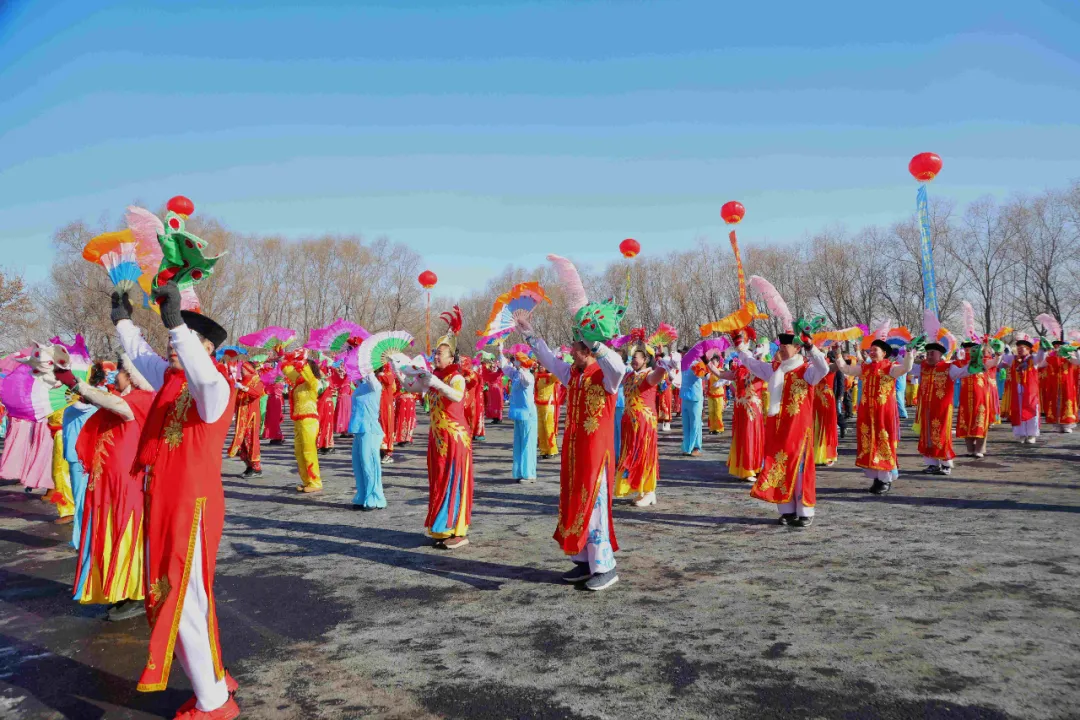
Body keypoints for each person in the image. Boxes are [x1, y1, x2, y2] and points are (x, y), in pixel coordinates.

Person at [113, 284, 241, 719]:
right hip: (166, 502)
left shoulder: (215, 388)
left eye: (181, 341)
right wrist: (123, 320)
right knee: (182, 597)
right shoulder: (172, 383)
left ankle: (213, 702)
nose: (171, 347)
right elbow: (141, 355)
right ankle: (214, 682)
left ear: (206, 348)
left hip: (193, 506)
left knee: (183, 599)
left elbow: (202, 375)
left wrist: (177, 325)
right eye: (172, 339)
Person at [517, 288, 627, 592]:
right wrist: (530, 335)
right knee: (574, 502)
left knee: (595, 505)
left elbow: (618, 367)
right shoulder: (574, 374)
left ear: (588, 349)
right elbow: (550, 360)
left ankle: (605, 566)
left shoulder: (605, 375)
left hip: (596, 453)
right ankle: (583, 561)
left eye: (576, 347)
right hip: (575, 451)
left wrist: (595, 341)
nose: (570, 352)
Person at [58, 354, 154, 621]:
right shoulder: (126, 399)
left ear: (131, 376)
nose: (115, 378)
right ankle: (119, 588)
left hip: (125, 482)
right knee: (109, 531)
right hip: (109, 482)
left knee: (123, 532)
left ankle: (133, 592)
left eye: (119, 373)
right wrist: (67, 381)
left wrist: (75, 383)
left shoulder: (139, 401)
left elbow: (111, 402)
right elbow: (101, 400)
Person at [735, 328, 830, 527]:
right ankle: (787, 511)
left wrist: (811, 347)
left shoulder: (807, 371)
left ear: (797, 347)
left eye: (785, 346)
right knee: (780, 466)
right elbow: (753, 364)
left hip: (799, 431)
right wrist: (741, 347)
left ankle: (805, 511)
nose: (782, 349)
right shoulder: (776, 369)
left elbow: (824, 368)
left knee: (801, 470)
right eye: (780, 346)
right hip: (778, 429)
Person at [835, 338, 916, 494]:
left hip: (884, 413)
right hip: (867, 413)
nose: (872, 352)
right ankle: (877, 477)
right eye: (870, 350)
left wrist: (908, 352)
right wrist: (838, 353)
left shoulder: (891, 368)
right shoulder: (865, 367)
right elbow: (846, 370)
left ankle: (886, 479)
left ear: (884, 353)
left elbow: (907, 367)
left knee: (884, 442)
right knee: (870, 443)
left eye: (875, 350)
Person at [417, 333, 474, 549]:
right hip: (438, 438)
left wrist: (436, 383)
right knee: (440, 481)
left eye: (439, 354)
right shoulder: (436, 377)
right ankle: (442, 529)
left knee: (454, 481)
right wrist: (400, 371)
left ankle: (458, 531)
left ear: (451, 359)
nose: (435, 357)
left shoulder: (455, 377)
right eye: (435, 353)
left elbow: (457, 396)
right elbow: (415, 389)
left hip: (455, 437)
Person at [911, 341, 990, 475]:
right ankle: (932, 464)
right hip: (926, 408)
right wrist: (909, 351)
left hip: (942, 409)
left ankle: (946, 464)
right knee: (927, 436)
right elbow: (907, 367)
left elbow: (964, 372)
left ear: (940, 355)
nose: (929, 356)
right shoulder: (923, 367)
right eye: (927, 353)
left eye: (932, 353)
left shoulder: (948, 367)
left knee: (941, 435)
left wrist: (975, 360)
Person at [615, 342, 666, 506]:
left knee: (645, 456)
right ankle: (641, 490)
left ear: (645, 359)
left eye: (636, 358)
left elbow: (658, 374)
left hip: (644, 424)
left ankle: (650, 491)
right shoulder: (630, 376)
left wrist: (664, 362)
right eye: (632, 358)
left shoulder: (648, 375)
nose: (633, 361)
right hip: (630, 423)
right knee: (633, 455)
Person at [60, 363, 101, 543]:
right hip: (80, 457)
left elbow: (80, 405)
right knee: (84, 498)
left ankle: (81, 538)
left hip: (80, 458)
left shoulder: (85, 407)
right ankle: (84, 536)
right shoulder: (86, 406)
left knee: (81, 498)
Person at [708, 356, 764, 482]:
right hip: (741, 409)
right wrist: (707, 362)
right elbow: (720, 373)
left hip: (753, 409)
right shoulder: (738, 371)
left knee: (754, 435)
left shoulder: (760, 369)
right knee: (744, 436)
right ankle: (746, 469)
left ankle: (756, 467)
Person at [281, 351, 323, 492]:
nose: (299, 370)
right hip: (298, 420)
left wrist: (302, 362)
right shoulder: (299, 383)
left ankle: (315, 482)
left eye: (303, 368)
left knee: (308, 451)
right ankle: (307, 481)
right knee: (299, 452)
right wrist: (283, 356)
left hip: (309, 420)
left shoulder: (314, 383)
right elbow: (287, 370)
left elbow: (309, 377)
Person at [500, 349, 538, 483]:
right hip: (518, 413)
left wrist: (522, 369)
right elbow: (505, 367)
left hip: (528, 413)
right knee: (519, 442)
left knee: (528, 443)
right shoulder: (515, 374)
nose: (513, 361)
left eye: (516, 359)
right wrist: (501, 350)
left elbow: (527, 382)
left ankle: (529, 474)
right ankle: (519, 472)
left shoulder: (527, 375)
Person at [350, 370, 386, 510]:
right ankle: (362, 495)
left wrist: (365, 363)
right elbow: (352, 373)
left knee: (369, 463)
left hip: (370, 429)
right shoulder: (361, 385)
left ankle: (375, 498)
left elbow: (367, 372)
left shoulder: (374, 385)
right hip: (359, 429)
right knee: (358, 464)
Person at [1001, 337, 1047, 444]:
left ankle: (1031, 435)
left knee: (1032, 411)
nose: (1020, 349)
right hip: (1017, 392)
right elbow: (1001, 358)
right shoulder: (1013, 358)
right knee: (1018, 412)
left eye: (1023, 348)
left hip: (1030, 393)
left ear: (1029, 349)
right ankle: (1021, 434)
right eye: (1018, 347)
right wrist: (999, 348)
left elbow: (1041, 357)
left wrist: (1042, 349)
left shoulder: (1033, 359)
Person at [227, 360, 265, 477]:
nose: (241, 370)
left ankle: (256, 467)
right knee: (242, 441)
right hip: (241, 416)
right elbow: (237, 399)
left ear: (249, 369)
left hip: (251, 416)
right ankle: (249, 466)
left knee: (251, 440)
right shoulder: (241, 381)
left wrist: (244, 388)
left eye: (243, 368)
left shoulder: (256, 380)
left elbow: (257, 393)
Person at [812, 348, 840, 467]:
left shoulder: (830, 366)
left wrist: (837, 352)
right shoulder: (811, 367)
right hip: (815, 399)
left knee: (827, 426)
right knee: (815, 426)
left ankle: (827, 455)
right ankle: (813, 454)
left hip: (827, 400)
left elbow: (838, 366)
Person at [1044, 340, 1078, 432]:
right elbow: (1041, 364)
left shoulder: (1069, 356)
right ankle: (1056, 424)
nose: (1057, 348)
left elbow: (1077, 362)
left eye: (1059, 346)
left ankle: (1067, 424)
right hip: (1053, 384)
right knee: (1055, 401)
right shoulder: (1050, 357)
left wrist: (1074, 352)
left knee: (1067, 400)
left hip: (1067, 383)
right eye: (1055, 346)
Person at [679, 354, 706, 456]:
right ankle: (687, 447)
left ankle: (696, 447)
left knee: (695, 424)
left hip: (695, 398)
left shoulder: (697, 365)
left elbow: (705, 376)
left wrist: (703, 371)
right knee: (686, 425)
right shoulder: (682, 365)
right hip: (685, 397)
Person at [535, 364, 561, 457]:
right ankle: (543, 450)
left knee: (548, 428)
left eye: (543, 365)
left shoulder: (551, 377)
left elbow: (557, 375)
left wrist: (552, 365)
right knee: (541, 429)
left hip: (548, 406)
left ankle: (552, 450)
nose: (541, 367)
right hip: (539, 405)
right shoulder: (537, 377)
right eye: (540, 365)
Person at [460, 356, 486, 442]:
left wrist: (464, 379)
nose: (461, 363)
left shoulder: (472, 373)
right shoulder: (460, 372)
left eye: (462, 362)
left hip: (471, 398)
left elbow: (473, 381)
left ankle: (470, 433)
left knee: (471, 416)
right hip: (463, 398)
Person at [376, 362, 397, 464]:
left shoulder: (389, 374)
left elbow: (389, 381)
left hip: (386, 406)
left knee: (387, 427)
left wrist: (381, 375)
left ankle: (387, 453)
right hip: (376, 405)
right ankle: (378, 451)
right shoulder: (375, 374)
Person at [705, 355, 728, 434]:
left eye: (714, 362)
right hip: (710, 394)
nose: (712, 363)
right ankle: (712, 428)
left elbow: (727, 381)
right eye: (711, 362)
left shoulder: (721, 371)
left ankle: (719, 428)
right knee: (711, 411)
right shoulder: (710, 372)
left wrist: (720, 383)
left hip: (719, 395)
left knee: (718, 412)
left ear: (718, 362)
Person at [262, 372, 285, 445]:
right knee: (274, 421)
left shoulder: (275, 386)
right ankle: (276, 436)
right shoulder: (278, 386)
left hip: (274, 404)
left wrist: (266, 384)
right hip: (274, 404)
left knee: (273, 421)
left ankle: (277, 437)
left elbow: (266, 391)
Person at [481, 358, 504, 423]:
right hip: (491, 390)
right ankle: (495, 418)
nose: (492, 368)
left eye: (493, 367)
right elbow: (484, 372)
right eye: (491, 367)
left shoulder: (497, 373)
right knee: (492, 404)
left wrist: (500, 367)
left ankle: (499, 418)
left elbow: (500, 372)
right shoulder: (489, 374)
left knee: (497, 404)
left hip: (497, 390)